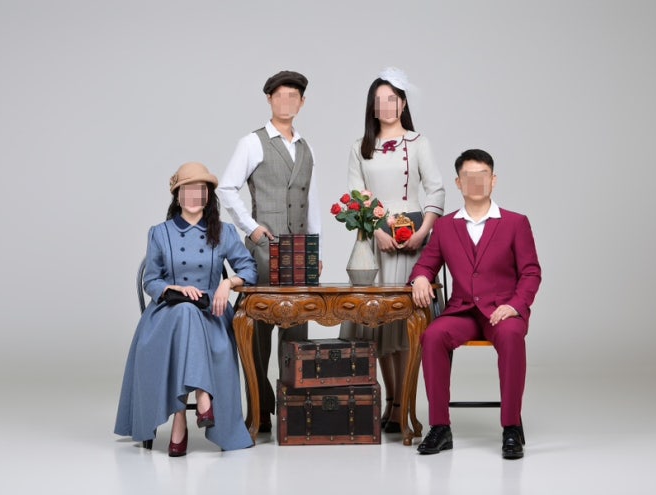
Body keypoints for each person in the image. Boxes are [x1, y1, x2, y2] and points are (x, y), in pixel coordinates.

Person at [115, 162, 258, 456]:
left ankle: (180, 423)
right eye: (187, 190)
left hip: (211, 314)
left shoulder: (225, 232)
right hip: (167, 314)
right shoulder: (160, 233)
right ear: (177, 196)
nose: (194, 197)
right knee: (185, 311)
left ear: (208, 197)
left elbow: (249, 269)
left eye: (200, 191)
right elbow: (151, 280)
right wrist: (175, 289)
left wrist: (227, 283)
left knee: (190, 312)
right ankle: (202, 399)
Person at [409, 149, 541, 459]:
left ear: (493, 180)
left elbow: (531, 272)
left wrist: (515, 306)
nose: (476, 182)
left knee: (512, 335)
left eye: (482, 176)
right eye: (468, 177)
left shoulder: (516, 223)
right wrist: (420, 278)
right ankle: (440, 427)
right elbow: (426, 264)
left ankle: (511, 427)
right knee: (432, 335)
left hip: (502, 311)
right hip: (463, 312)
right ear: (458, 183)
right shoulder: (445, 226)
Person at [339, 67, 445, 433]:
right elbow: (357, 195)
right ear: (372, 106)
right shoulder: (359, 147)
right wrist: (376, 229)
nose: (386, 106)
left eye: (392, 99)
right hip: (375, 239)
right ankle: (391, 400)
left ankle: (405, 404)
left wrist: (425, 231)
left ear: (403, 104)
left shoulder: (419, 143)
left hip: (413, 237)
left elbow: (435, 189)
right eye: (379, 100)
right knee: (377, 324)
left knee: (405, 322)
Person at [217, 70, 322, 432]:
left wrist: (315, 248)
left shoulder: (306, 147)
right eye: (279, 96)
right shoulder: (253, 142)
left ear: (302, 103)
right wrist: (252, 227)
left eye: (293, 96)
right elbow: (226, 188)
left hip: (299, 252)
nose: (286, 102)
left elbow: (312, 201)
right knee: (259, 333)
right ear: (269, 100)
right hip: (264, 250)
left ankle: (293, 413)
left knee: (297, 332)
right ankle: (259, 411)